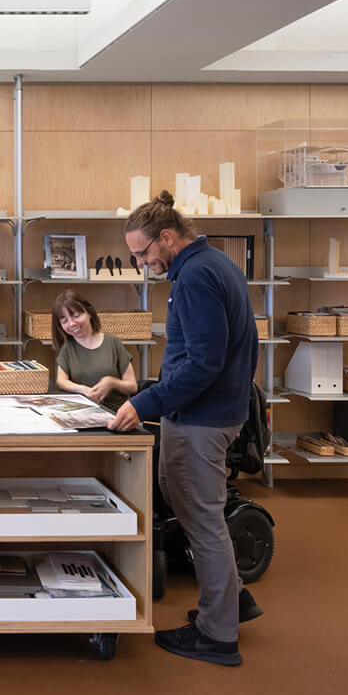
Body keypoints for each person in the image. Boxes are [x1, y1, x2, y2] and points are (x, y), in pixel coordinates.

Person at [111, 191, 259, 667]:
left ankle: (217, 636)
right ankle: (234, 600)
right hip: (210, 411)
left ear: (167, 238)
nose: (141, 263)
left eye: (143, 253)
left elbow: (202, 363)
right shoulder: (214, 264)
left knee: (202, 519)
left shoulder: (195, 277)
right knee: (185, 499)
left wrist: (145, 401)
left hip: (201, 418)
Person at [49, 289, 136, 410]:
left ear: (89, 312)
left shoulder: (113, 342)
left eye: (76, 316)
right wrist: (84, 390)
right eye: (64, 321)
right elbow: (61, 381)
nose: (72, 323)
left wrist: (111, 382)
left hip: (117, 413)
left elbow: (132, 386)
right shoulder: (67, 348)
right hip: (83, 412)